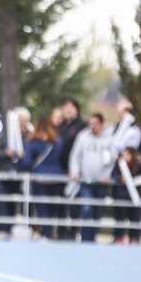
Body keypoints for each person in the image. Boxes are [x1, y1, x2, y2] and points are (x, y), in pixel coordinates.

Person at [68, 113, 113, 243]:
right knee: (86, 208)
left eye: (95, 124)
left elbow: (112, 160)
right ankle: (85, 237)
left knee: (98, 211)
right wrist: (75, 171)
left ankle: (92, 237)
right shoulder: (83, 136)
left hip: (101, 182)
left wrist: (107, 174)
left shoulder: (109, 139)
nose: (92, 127)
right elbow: (75, 156)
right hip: (86, 181)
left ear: (101, 124)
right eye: (90, 124)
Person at [21, 116, 64, 239]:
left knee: (42, 209)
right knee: (51, 209)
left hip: (39, 179)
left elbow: (26, 163)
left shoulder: (33, 143)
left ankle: (46, 234)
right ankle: (49, 233)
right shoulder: (58, 142)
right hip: (56, 179)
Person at [55, 97, 87, 240]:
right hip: (60, 169)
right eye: (65, 107)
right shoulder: (60, 126)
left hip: (75, 171)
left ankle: (74, 231)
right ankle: (61, 231)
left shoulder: (82, 126)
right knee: (61, 202)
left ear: (77, 109)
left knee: (74, 202)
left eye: (71, 107)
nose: (67, 110)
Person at [111, 147, 141, 244]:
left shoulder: (138, 165)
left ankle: (134, 238)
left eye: (127, 154)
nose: (124, 156)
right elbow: (113, 175)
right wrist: (120, 178)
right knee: (120, 218)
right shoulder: (119, 165)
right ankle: (118, 237)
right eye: (123, 154)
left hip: (134, 196)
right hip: (121, 195)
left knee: (135, 218)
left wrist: (134, 180)